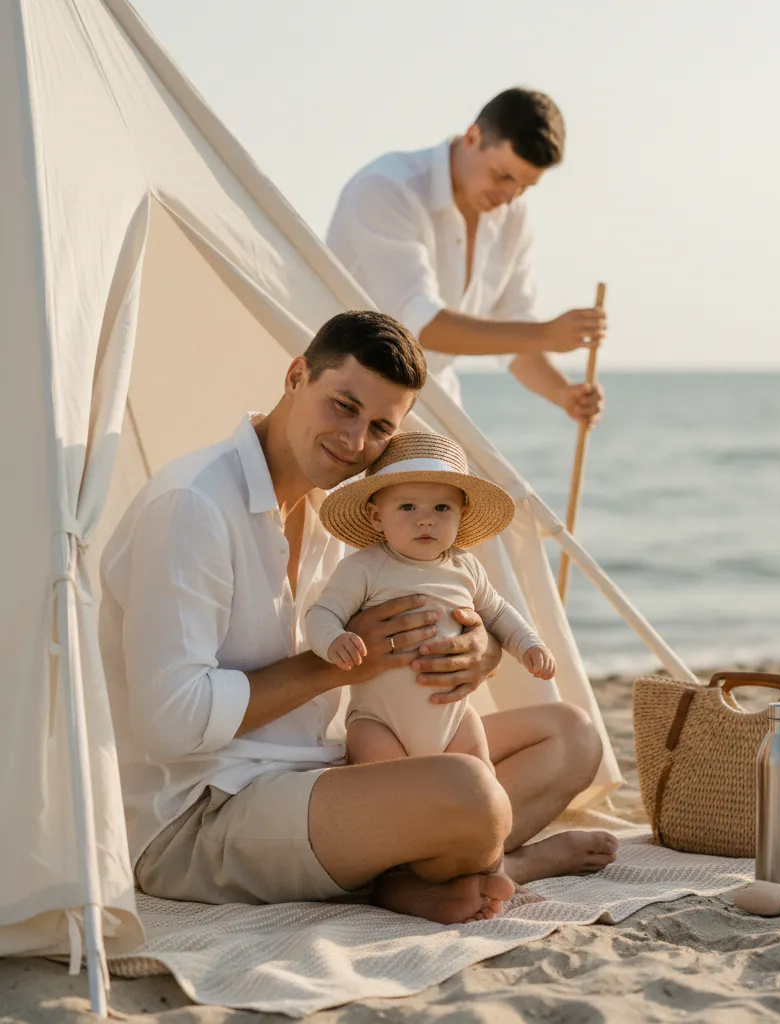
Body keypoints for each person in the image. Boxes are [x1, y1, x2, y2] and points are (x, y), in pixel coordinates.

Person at [99, 311, 617, 926]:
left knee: (572, 734)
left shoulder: (346, 513)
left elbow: (420, 609)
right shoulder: (194, 505)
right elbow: (171, 725)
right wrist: (333, 668)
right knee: (472, 794)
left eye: (378, 428)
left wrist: (479, 651)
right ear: (296, 376)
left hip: (327, 769)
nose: (354, 441)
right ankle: (502, 867)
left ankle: (436, 866)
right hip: (203, 813)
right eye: (342, 406)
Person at [325, 87, 606, 425]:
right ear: (472, 137)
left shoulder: (513, 217)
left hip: (435, 404)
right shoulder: (386, 188)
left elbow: (512, 330)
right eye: (503, 176)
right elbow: (417, 325)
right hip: (344, 403)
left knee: (505, 481)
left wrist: (564, 394)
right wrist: (546, 333)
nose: (509, 195)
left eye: (524, 186)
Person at [307, 431, 556, 770]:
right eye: (407, 506)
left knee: (478, 780)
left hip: (453, 720)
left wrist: (528, 644)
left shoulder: (465, 566)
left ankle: (474, 815)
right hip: (380, 721)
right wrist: (334, 639)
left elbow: (497, 612)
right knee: (389, 786)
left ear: (462, 516)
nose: (426, 519)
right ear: (376, 517)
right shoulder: (364, 567)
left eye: (442, 507)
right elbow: (321, 613)